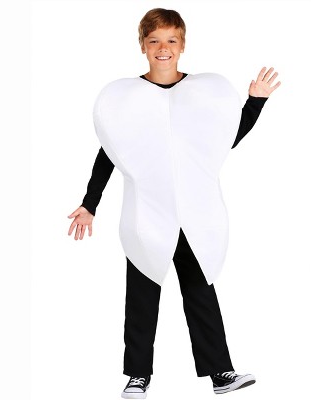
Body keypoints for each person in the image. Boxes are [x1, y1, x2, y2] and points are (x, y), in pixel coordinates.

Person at [67, 8, 280, 399]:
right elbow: (110, 152)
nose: (162, 48)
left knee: (201, 291)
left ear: (182, 45)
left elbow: (224, 139)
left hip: (196, 214)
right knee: (142, 294)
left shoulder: (202, 93)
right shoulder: (126, 99)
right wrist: (90, 203)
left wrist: (255, 103)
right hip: (147, 213)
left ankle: (221, 372)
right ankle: (138, 375)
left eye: (170, 41)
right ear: (143, 46)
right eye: (154, 41)